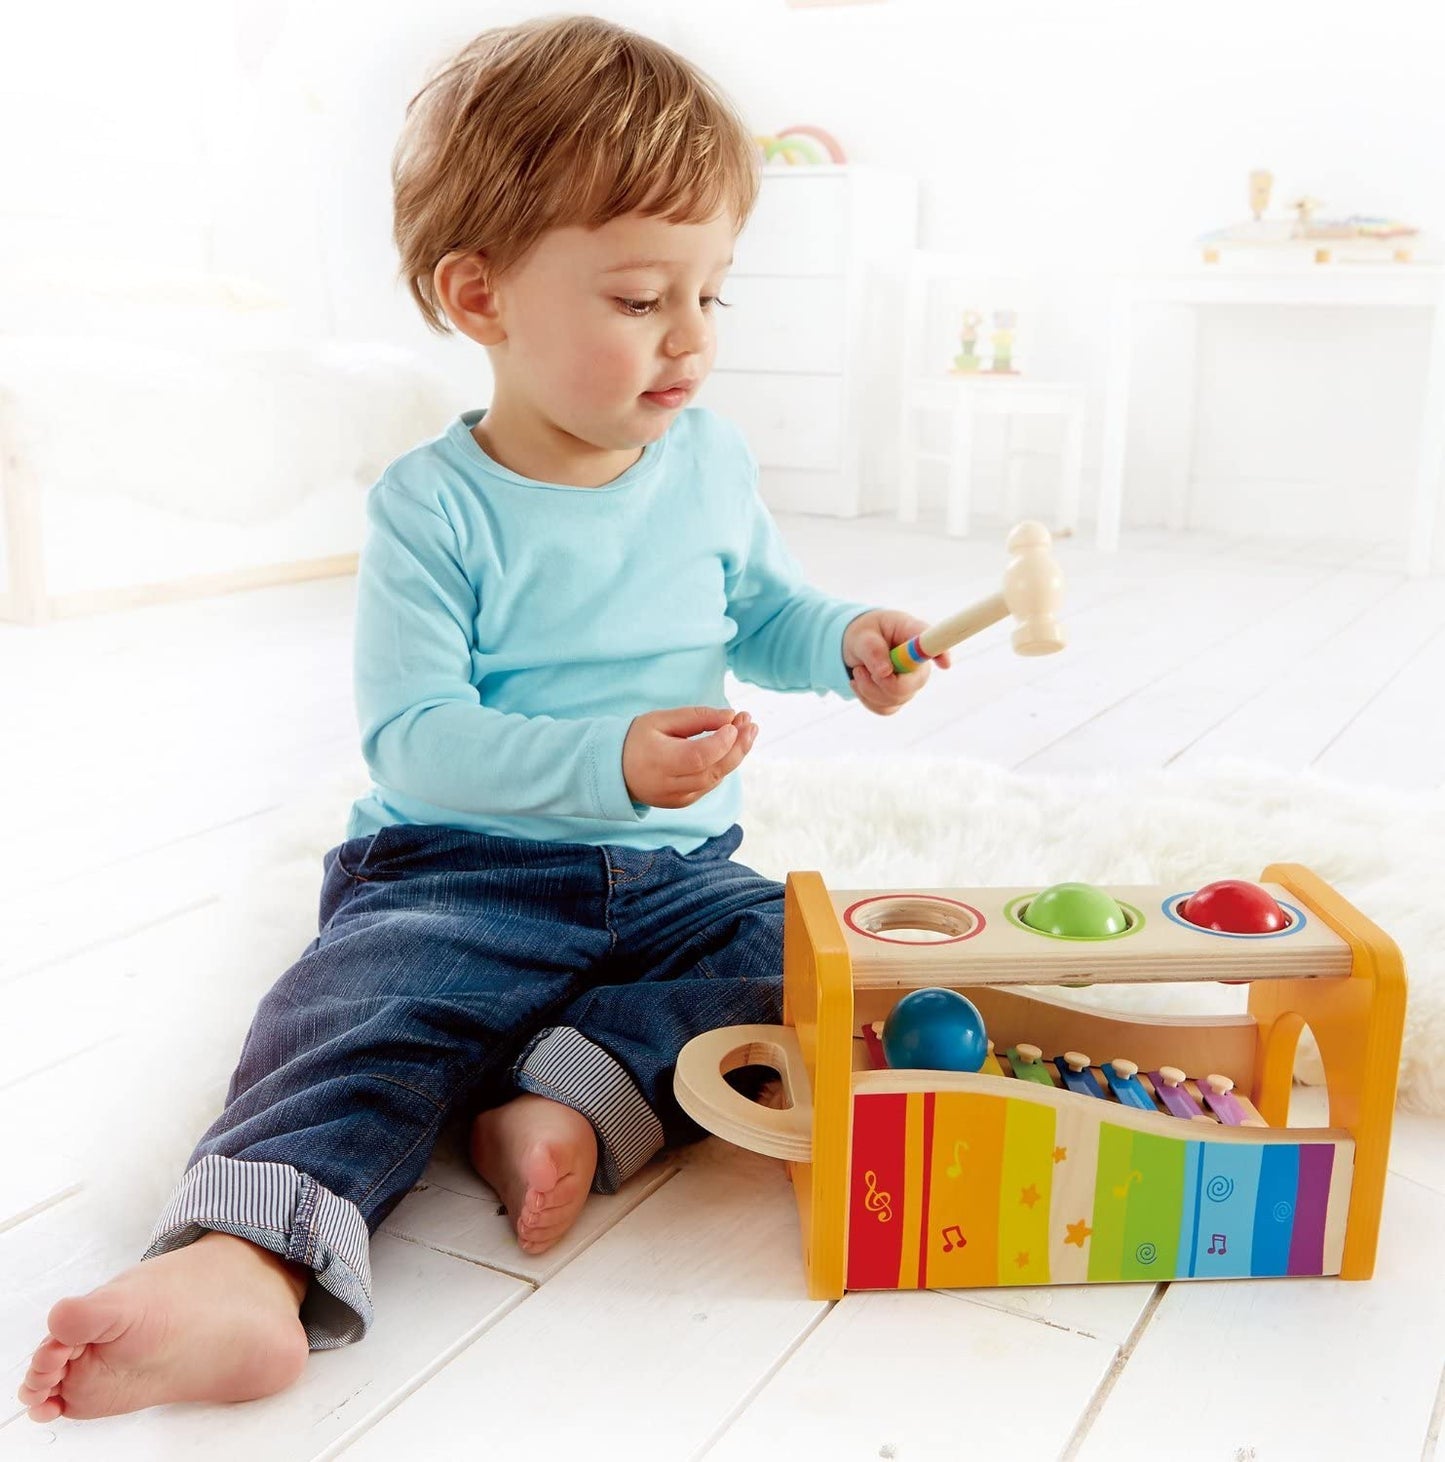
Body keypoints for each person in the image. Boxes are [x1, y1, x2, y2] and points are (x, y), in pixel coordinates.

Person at [18, 14, 948, 1424]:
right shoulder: (432, 507)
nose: (690, 337)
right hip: (459, 869)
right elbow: (415, 738)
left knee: (796, 955)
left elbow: (761, 610)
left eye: (712, 293)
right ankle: (243, 1264)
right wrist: (606, 760)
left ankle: (565, 1095)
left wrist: (844, 643)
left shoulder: (707, 457)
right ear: (480, 296)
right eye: (638, 298)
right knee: (360, 1011)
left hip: (679, 877)